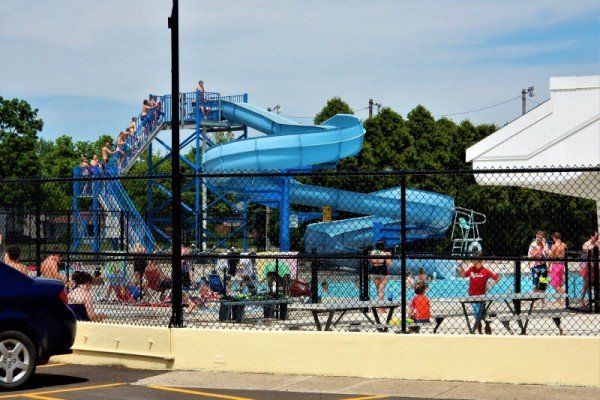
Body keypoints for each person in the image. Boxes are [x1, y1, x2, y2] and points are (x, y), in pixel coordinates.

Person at [457, 251, 500, 334]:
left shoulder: (485, 271)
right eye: (472, 260)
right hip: (472, 296)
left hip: (481, 296)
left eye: (474, 260)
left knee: (480, 315)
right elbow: (464, 275)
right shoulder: (471, 269)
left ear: (480, 261)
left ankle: (483, 329)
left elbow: (497, 278)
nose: (472, 262)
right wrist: (460, 266)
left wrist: (488, 286)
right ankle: (481, 330)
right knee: (479, 315)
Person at [369, 241, 392, 308]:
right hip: (383, 272)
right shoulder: (385, 254)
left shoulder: (372, 253)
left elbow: (370, 262)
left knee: (378, 289)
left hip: (374, 271)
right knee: (381, 289)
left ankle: (381, 305)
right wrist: (389, 257)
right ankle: (381, 308)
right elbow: (389, 264)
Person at [580, 232, 598, 306]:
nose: (597, 238)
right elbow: (586, 250)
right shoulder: (586, 244)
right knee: (586, 284)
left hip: (595, 267)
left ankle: (591, 300)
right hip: (587, 266)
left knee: (595, 284)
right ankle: (582, 300)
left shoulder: (597, 243)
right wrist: (593, 244)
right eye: (596, 237)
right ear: (591, 236)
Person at [549, 231, 567, 304]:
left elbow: (551, 257)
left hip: (555, 265)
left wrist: (548, 266)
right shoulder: (564, 245)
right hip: (562, 265)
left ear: (554, 238)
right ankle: (559, 301)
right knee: (559, 283)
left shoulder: (554, 246)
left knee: (556, 285)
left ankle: (567, 295)